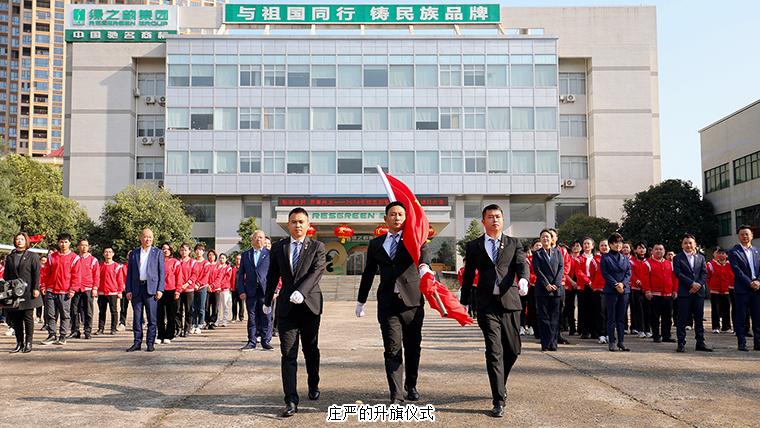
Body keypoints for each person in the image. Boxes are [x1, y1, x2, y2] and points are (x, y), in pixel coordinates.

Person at [357, 201, 431, 405]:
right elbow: (368, 274)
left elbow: (424, 253)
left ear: (406, 218)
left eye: (400, 214)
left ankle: (411, 385)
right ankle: (396, 394)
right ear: (385, 219)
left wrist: (425, 266)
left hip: (412, 303)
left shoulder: (414, 237)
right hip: (388, 304)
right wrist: (361, 301)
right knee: (392, 349)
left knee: (413, 348)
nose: (397, 217)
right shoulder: (376, 244)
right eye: (392, 214)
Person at [460, 204, 529, 418]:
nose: (495, 220)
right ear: (484, 221)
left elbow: (521, 265)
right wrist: (463, 302)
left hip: (510, 302)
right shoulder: (474, 245)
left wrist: (524, 280)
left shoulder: (514, 243)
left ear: (503, 220)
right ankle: (498, 399)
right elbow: (469, 274)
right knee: (494, 350)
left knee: (513, 350)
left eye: (498, 216)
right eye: (490, 217)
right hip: (486, 304)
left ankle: (501, 382)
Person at [264, 208, 326, 417]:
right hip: (287, 308)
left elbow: (317, 271)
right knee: (288, 354)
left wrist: (302, 291)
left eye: (301, 222)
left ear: (308, 225)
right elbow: (272, 275)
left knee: (310, 350)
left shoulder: (317, 246)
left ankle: (313, 384)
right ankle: (290, 399)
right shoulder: (279, 247)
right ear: (288, 224)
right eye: (293, 222)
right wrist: (267, 301)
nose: (297, 225)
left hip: (309, 306)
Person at [124, 229, 166, 352]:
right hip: (137, 288)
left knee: (152, 318)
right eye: (145, 237)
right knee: (137, 318)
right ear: (140, 238)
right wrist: (128, 290)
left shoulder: (157, 253)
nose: (148, 239)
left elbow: (162, 272)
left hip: (151, 289)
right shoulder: (134, 254)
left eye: (150, 237)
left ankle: (150, 342)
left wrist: (160, 289)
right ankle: (137, 343)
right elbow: (129, 273)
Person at [672, 233, 711, 352]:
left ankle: (700, 343)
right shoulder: (678, 258)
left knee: (699, 319)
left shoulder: (701, 257)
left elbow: (704, 273)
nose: (688, 245)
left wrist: (698, 284)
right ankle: (681, 343)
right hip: (685, 292)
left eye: (690, 243)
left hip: (698, 293)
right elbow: (678, 274)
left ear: (695, 245)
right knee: (682, 318)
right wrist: (691, 284)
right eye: (685, 243)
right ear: (682, 245)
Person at [4, 232, 42, 353]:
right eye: (17, 239)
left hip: (28, 290)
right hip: (14, 291)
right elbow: (6, 275)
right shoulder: (10, 257)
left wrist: (35, 288)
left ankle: (29, 342)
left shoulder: (32, 255)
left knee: (28, 317)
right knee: (16, 318)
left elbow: (36, 273)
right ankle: (19, 343)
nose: (19, 241)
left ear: (26, 241)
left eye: (22, 239)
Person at [238, 230, 273, 351]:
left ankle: (266, 342)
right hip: (250, 291)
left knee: (266, 317)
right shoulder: (245, 255)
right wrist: (242, 290)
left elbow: (275, 273)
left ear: (264, 240)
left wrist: (274, 290)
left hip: (265, 291)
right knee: (252, 318)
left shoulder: (270, 254)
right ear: (252, 239)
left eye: (261, 237)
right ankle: (251, 341)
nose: (259, 239)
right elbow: (241, 274)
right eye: (256, 237)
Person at [40, 233, 78, 346]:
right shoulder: (52, 257)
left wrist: (73, 289)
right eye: (61, 242)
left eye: (66, 242)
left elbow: (76, 275)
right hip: (51, 290)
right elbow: (46, 273)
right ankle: (52, 335)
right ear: (58, 243)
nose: (63, 244)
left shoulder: (74, 258)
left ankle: (62, 336)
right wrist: (43, 286)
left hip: (65, 291)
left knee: (65, 314)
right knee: (50, 314)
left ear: (69, 243)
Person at [728, 225, 760, 351]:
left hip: (757, 289)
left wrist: (758, 282)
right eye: (742, 234)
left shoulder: (758, 251)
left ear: (751, 236)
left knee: (757, 317)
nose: (745, 237)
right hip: (742, 289)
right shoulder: (734, 252)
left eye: (747, 234)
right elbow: (737, 270)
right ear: (738, 237)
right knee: (741, 317)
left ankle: (758, 342)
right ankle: (741, 342)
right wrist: (750, 283)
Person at [533, 229, 564, 352]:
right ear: (540, 239)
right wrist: (546, 284)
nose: (545, 239)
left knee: (554, 318)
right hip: (543, 289)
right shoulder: (537, 254)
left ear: (552, 239)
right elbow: (537, 270)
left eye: (547, 237)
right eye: (543, 237)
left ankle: (553, 343)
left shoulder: (558, 252)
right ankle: (545, 343)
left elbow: (561, 268)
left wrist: (556, 284)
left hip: (556, 290)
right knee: (544, 318)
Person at [600, 233, 632, 352]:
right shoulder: (605, 257)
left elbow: (628, 272)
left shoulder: (625, 258)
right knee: (611, 317)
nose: (618, 245)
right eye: (615, 243)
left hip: (624, 291)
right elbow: (605, 273)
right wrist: (616, 285)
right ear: (610, 244)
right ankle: (612, 341)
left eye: (620, 243)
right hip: (611, 290)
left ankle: (621, 341)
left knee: (622, 317)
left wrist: (622, 284)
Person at [644, 243, 677, 343]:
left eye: (661, 249)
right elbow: (645, 279)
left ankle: (666, 335)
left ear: (664, 251)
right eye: (656, 249)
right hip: (654, 295)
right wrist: (647, 290)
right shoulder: (647, 263)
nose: (659, 251)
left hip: (668, 294)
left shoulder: (670, 264)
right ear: (652, 251)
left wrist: (675, 290)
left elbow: (675, 278)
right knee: (654, 316)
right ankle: (656, 335)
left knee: (667, 317)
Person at [69, 239, 100, 340]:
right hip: (76, 288)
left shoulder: (93, 260)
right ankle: (75, 331)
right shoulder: (74, 259)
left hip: (88, 288)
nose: (84, 247)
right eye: (82, 245)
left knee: (88, 311)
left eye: (86, 245)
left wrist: (95, 288)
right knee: (74, 310)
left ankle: (87, 331)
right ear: (78, 247)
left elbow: (96, 275)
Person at [95, 247, 124, 336]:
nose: (108, 254)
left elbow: (120, 279)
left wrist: (119, 291)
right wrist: (96, 289)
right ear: (103, 254)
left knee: (114, 311)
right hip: (102, 292)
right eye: (106, 252)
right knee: (101, 311)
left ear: (113, 254)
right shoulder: (100, 266)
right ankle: (101, 328)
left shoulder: (117, 266)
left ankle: (113, 328)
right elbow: (97, 278)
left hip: (113, 292)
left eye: (110, 252)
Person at [157, 242, 180, 344]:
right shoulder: (157, 261)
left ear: (171, 250)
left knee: (171, 314)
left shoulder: (175, 262)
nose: (165, 251)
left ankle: (170, 334)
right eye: (163, 249)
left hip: (171, 290)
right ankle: (160, 335)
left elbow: (179, 277)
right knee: (159, 314)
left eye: (167, 249)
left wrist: (178, 290)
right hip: (159, 290)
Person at [707, 247, 733, 334]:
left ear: (726, 255)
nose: (721, 255)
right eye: (719, 253)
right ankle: (715, 327)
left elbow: (732, 276)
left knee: (726, 309)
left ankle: (726, 327)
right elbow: (708, 277)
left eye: (723, 253)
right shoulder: (711, 264)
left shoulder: (730, 264)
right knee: (715, 309)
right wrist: (711, 285)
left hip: (726, 290)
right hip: (715, 290)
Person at [630, 241, 652, 338]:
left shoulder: (649, 261)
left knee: (648, 310)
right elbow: (631, 274)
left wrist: (646, 285)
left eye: (643, 248)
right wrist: (639, 282)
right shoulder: (632, 261)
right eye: (639, 248)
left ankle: (648, 329)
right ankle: (640, 330)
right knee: (638, 310)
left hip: (647, 289)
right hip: (636, 288)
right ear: (636, 250)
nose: (641, 250)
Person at [589, 239, 609, 342]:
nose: (604, 247)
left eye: (606, 245)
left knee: (610, 313)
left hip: (611, 290)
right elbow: (592, 274)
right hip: (599, 289)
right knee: (600, 312)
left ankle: (609, 333)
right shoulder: (595, 260)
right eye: (602, 245)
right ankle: (601, 334)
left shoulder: (613, 258)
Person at [175, 244, 197, 338]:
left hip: (189, 289)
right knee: (177, 309)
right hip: (179, 289)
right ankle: (179, 328)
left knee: (188, 310)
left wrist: (187, 284)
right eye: (182, 250)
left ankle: (187, 329)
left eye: (185, 250)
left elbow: (194, 274)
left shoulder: (192, 262)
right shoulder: (177, 262)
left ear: (189, 251)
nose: (183, 252)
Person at [575, 237, 595, 339]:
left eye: (588, 244)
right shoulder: (579, 258)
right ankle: (585, 330)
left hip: (595, 284)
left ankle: (594, 330)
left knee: (594, 308)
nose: (586, 245)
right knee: (583, 308)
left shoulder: (596, 258)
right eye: (585, 244)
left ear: (593, 246)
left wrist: (594, 282)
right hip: (583, 285)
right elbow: (579, 273)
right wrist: (588, 282)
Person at [191, 243, 210, 334]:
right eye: (197, 250)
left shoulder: (206, 263)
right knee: (193, 307)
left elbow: (205, 276)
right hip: (192, 287)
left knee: (201, 307)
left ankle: (200, 324)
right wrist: (193, 283)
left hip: (201, 287)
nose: (198, 252)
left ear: (203, 252)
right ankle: (193, 324)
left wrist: (198, 284)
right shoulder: (192, 262)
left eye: (200, 250)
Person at [205, 250, 220, 330]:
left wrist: (212, 285)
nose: (211, 256)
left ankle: (213, 322)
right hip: (206, 289)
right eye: (209, 255)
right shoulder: (206, 265)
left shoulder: (218, 266)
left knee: (215, 306)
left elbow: (219, 277)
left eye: (213, 255)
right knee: (206, 306)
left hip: (216, 289)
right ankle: (207, 321)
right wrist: (207, 285)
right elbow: (204, 276)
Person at [216, 253, 232, 328]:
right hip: (217, 289)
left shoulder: (228, 268)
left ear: (226, 259)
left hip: (225, 288)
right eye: (220, 258)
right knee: (217, 305)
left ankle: (225, 320)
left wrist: (220, 283)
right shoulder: (217, 267)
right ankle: (217, 320)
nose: (221, 259)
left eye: (223, 258)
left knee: (225, 305)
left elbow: (227, 278)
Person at [230, 254, 244, 322]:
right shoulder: (232, 268)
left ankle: (241, 317)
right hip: (234, 289)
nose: (238, 260)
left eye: (239, 259)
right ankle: (234, 317)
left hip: (241, 289)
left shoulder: (244, 268)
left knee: (241, 304)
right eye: (237, 259)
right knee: (234, 304)